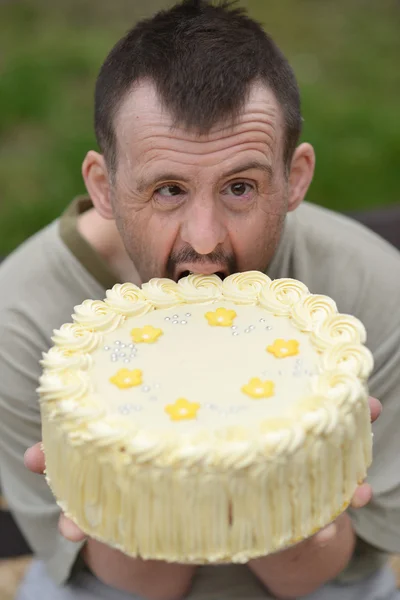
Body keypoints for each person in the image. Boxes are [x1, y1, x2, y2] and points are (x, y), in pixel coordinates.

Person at [0, 0, 399, 598]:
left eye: (240, 187)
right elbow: (141, 585)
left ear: (294, 178)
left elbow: (334, 568)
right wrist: (110, 498)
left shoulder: (375, 290)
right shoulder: (21, 316)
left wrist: (303, 478)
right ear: (104, 187)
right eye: (168, 190)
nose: (205, 239)